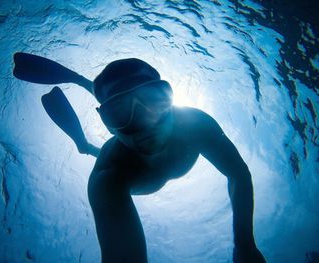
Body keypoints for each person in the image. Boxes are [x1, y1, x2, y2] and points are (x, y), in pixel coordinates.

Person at [86, 58, 266, 263]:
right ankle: (88, 148)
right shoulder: (107, 177)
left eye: (153, 99)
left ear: (170, 99)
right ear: (108, 126)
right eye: (119, 111)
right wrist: (245, 246)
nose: (145, 121)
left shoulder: (195, 124)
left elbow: (238, 173)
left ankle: (90, 147)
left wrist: (245, 245)